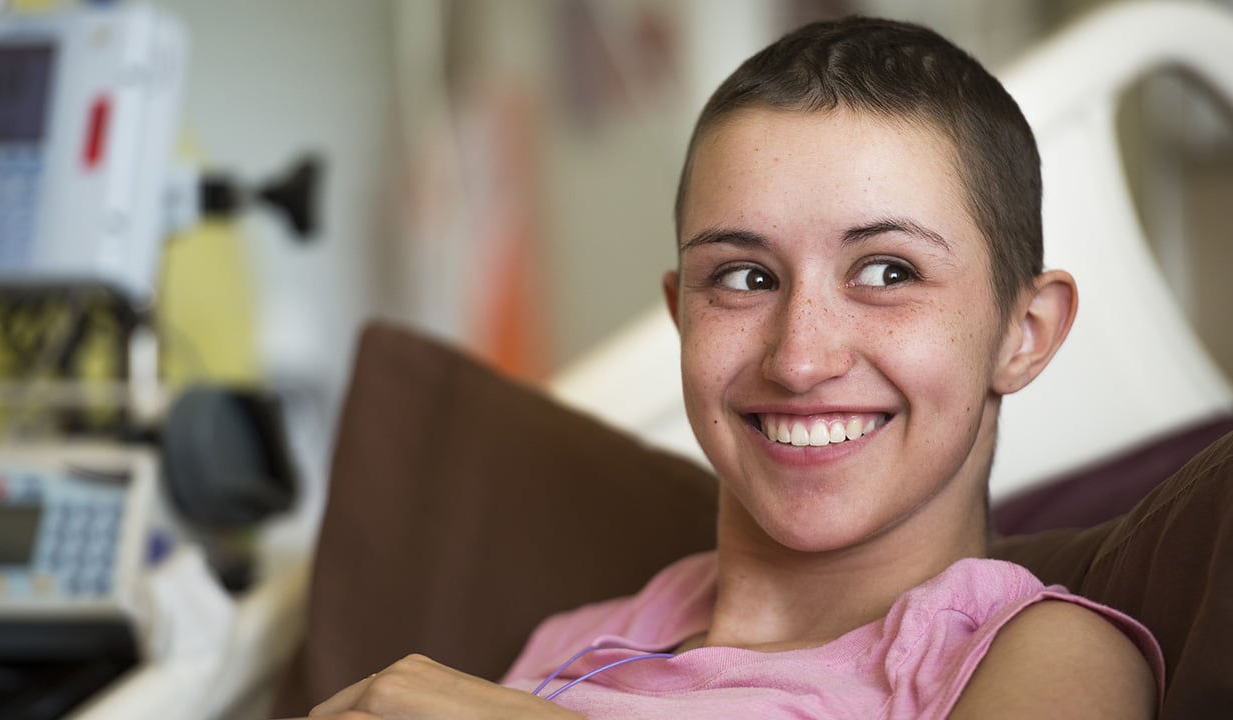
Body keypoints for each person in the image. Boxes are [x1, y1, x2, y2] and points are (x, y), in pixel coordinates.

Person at [293, 15, 1164, 720]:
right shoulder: (575, 643)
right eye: (743, 279)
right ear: (682, 317)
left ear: (1027, 330)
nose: (800, 357)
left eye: (887, 272)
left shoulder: (1039, 655)